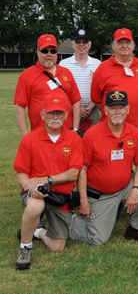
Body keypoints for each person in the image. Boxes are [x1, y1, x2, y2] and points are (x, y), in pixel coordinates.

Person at [69, 91, 138, 245]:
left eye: (121, 107)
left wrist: (136, 190)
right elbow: (82, 170)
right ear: (105, 110)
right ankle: (66, 220)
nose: (117, 112)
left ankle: (136, 229)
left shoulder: (135, 133)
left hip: (125, 187)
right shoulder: (92, 135)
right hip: (101, 194)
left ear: (128, 109)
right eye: (113, 107)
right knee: (97, 239)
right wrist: (83, 200)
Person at [13, 93, 83, 270]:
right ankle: (25, 247)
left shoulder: (74, 139)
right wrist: (31, 187)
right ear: (42, 115)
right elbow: (21, 174)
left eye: (59, 113)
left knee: (57, 247)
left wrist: (45, 180)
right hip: (36, 193)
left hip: (60, 197)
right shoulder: (29, 139)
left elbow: (74, 173)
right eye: (51, 113)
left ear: (67, 115)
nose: (56, 117)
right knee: (36, 205)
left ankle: (35, 230)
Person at [15, 34, 81, 137]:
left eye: (53, 51)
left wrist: (75, 129)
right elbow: (19, 107)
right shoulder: (26, 75)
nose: (49, 54)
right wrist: (25, 136)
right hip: (39, 136)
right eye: (45, 51)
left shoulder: (66, 73)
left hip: (66, 135)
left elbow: (76, 101)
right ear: (37, 52)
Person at [91, 28, 138, 129]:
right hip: (112, 128)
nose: (124, 46)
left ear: (133, 45)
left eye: (127, 42)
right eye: (120, 42)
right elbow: (97, 100)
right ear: (113, 46)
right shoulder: (102, 68)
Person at [59, 29, 102, 131]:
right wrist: (77, 108)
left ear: (90, 44)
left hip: (92, 110)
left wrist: (90, 106)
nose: (81, 45)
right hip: (70, 110)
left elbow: (100, 89)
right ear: (73, 44)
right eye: (78, 42)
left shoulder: (98, 64)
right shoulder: (63, 64)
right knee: (71, 141)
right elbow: (61, 90)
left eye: (85, 42)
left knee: (92, 142)